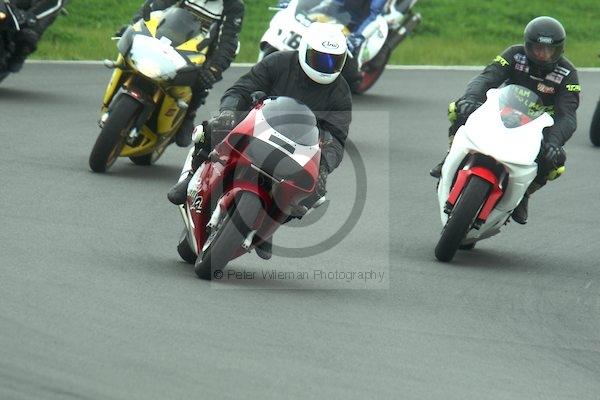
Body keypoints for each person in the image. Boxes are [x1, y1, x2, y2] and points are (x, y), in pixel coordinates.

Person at [167, 22, 352, 259]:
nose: (326, 66)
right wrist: (228, 112)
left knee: (314, 188)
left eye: (333, 61)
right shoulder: (278, 62)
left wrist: (324, 164)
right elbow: (241, 88)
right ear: (304, 50)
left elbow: (337, 136)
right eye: (320, 58)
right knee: (213, 127)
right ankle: (191, 177)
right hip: (257, 122)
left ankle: (269, 224)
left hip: (297, 147)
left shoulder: (340, 92)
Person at [429, 16, 580, 225]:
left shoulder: (568, 73)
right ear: (528, 45)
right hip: (504, 109)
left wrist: (554, 142)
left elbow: (568, 115)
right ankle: (450, 156)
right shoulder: (514, 54)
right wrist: (471, 98)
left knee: (556, 161)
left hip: (539, 125)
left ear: (559, 50)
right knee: (458, 108)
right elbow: (486, 77)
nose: (543, 55)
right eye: (538, 48)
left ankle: (525, 193)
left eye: (549, 50)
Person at [123, 0, 245, 147]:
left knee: (204, 78)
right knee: (131, 50)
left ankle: (189, 114)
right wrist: (135, 25)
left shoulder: (233, 5)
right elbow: (158, 5)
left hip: (202, 52)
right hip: (169, 37)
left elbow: (227, 39)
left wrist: (213, 69)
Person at [7, 0, 67, 72]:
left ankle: (19, 55)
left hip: (44, 6)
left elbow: (55, 3)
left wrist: (32, 15)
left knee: (29, 34)